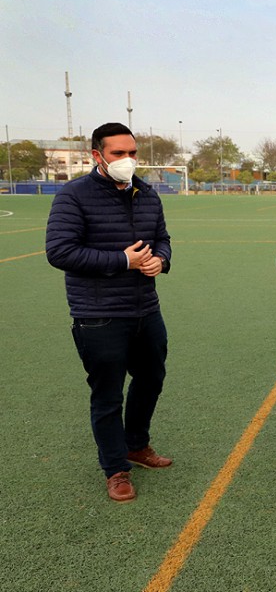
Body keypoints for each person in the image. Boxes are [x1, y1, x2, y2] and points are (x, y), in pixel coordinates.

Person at [45, 122, 174, 504]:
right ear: (97, 156)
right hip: (98, 314)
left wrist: (160, 262)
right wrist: (123, 261)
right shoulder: (74, 196)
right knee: (107, 395)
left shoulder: (147, 193)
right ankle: (115, 468)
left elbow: (162, 240)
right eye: (118, 153)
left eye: (132, 152)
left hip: (146, 311)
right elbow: (60, 252)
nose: (128, 160)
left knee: (151, 379)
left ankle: (137, 445)